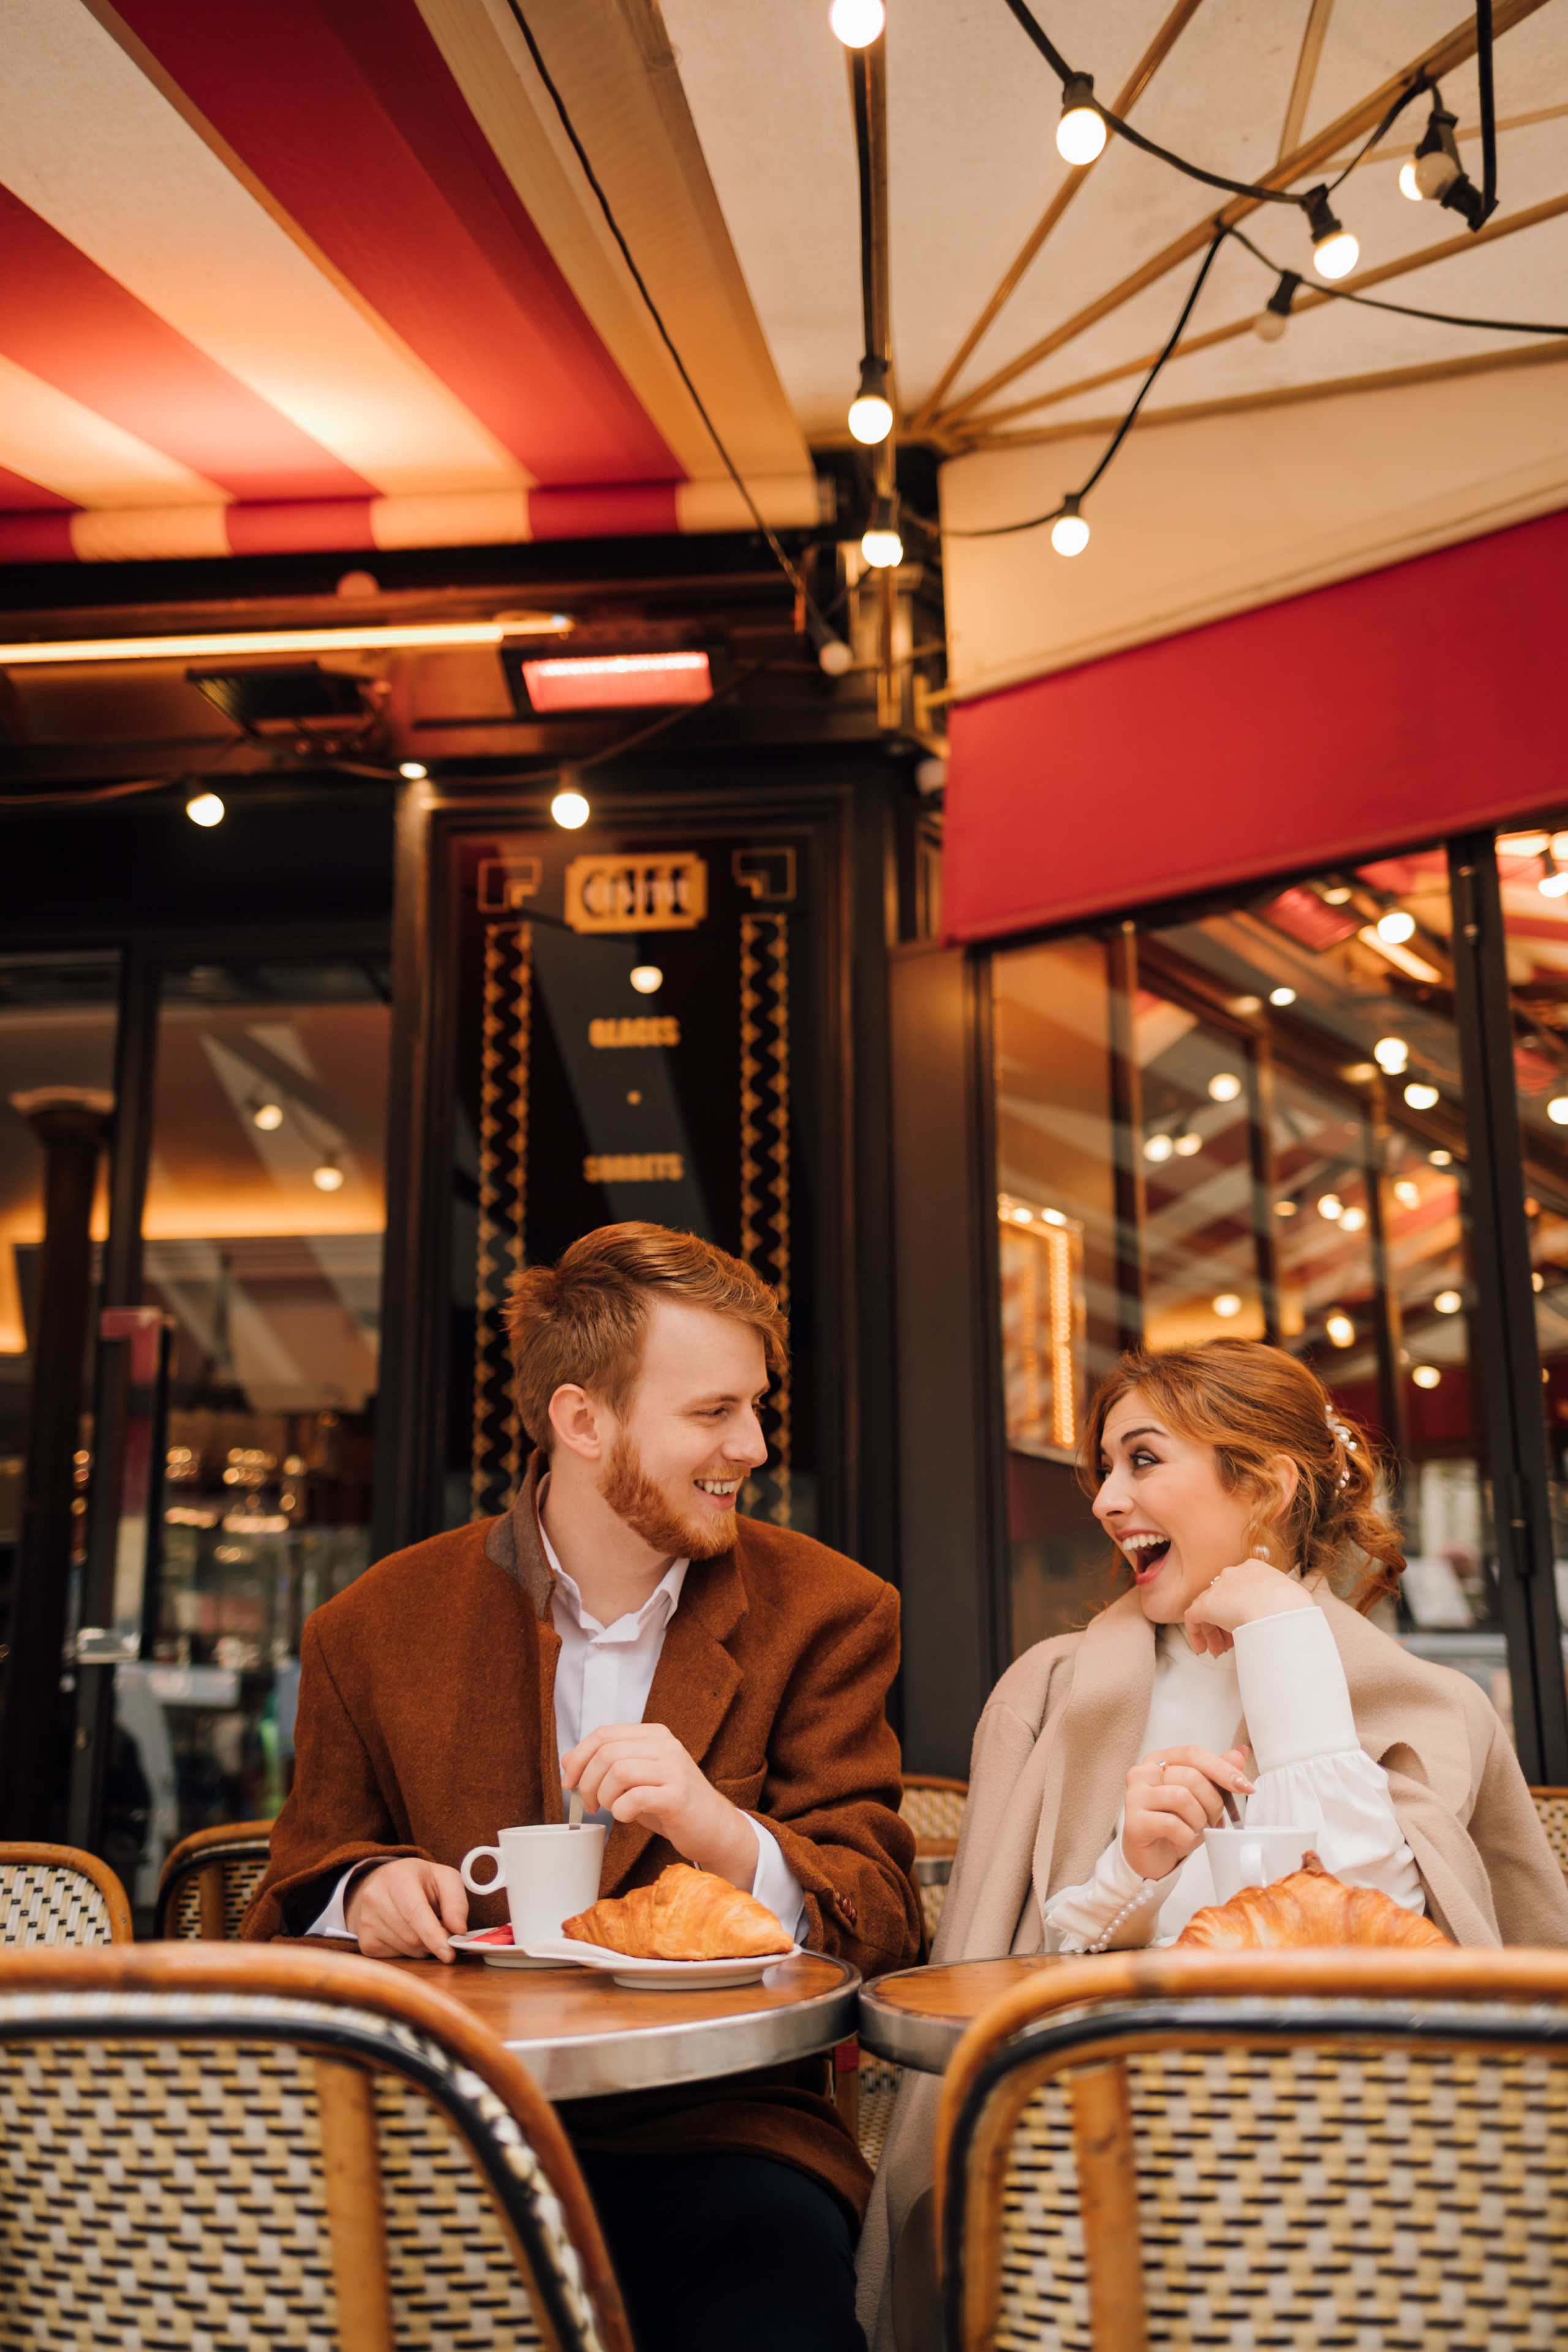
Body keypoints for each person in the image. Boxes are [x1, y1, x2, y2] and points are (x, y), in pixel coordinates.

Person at [244, 1222, 921, 2352]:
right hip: (434, 2121)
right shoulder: (370, 1627)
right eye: (712, 1413)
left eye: (756, 1406)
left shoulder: (831, 1611)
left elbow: (886, 1922)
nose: (753, 1445)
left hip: (719, 2128)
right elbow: (293, 1886)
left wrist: (718, 1827)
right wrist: (361, 1893)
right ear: (580, 1419)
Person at [858, 1337, 1568, 2352]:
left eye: (1142, 1461)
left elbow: (1377, 1951)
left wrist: (1283, 1634)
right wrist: (1127, 1875)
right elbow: (997, 1981)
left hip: (1372, 2154)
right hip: (1099, 2143)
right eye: (1103, 1468)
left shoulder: (1434, 1707)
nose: (1106, 1500)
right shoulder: (1048, 1694)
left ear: (1268, 1486)